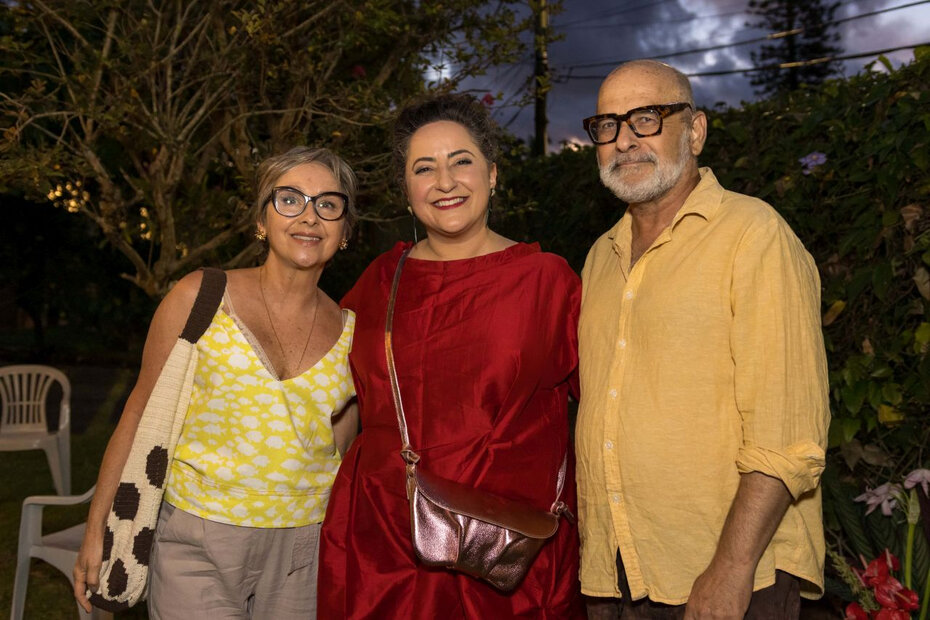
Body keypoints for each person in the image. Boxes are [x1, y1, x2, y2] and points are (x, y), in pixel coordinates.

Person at [575, 60, 830, 619]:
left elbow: (787, 433)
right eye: (608, 125)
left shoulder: (753, 235)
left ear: (694, 131)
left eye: (645, 118)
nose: (624, 141)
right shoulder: (600, 258)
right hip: (621, 573)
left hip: (731, 574)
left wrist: (729, 570)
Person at [318, 93, 585, 618]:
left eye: (461, 161)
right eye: (424, 168)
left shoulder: (547, 282)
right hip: (382, 548)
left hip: (505, 552)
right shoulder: (379, 282)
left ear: (492, 174)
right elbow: (335, 399)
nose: (445, 182)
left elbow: (604, 412)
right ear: (406, 190)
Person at [73, 147, 360, 619]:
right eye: (290, 199)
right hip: (197, 543)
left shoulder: (353, 331)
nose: (309, 216)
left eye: (328, 204)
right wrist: (97, 528)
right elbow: (140, 413)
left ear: (344, 230)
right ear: (262, 220)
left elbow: (342, 446)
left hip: (303, 552)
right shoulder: (201, 296)